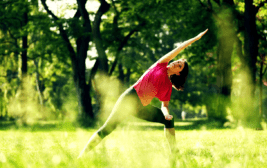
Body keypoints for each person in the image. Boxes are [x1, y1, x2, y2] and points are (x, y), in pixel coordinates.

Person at [78, 29, 208, 158]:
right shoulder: (161, 64)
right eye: (178, 61)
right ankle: (81, 156)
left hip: (142, 108)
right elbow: (180, 48)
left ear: (178, 73)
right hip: (129, 98)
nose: (176, 62)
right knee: (107, 129)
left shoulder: (167, 86)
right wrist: (196, 38)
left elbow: (165, 105)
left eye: (179, 65)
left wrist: (166, 114)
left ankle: (174, 153)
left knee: (169, 121)